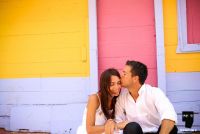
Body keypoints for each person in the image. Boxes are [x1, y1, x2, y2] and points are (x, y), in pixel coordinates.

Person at [115, 60, 178, 134]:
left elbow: (169, 115)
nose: (121, 76)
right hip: (135, 132)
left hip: (157, 132)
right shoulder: (122, 97)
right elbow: (118, 122)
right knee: (131, 127)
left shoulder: (155, 92)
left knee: (172, 128)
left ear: (135, 78)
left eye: (124, 74)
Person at [77, 68, 127, 134]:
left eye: (118, 83)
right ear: (104, 86)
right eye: (112, 84)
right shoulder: (94, 98)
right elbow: (89, 129)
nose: (117, 87)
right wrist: (114, 126)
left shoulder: (116, 99)